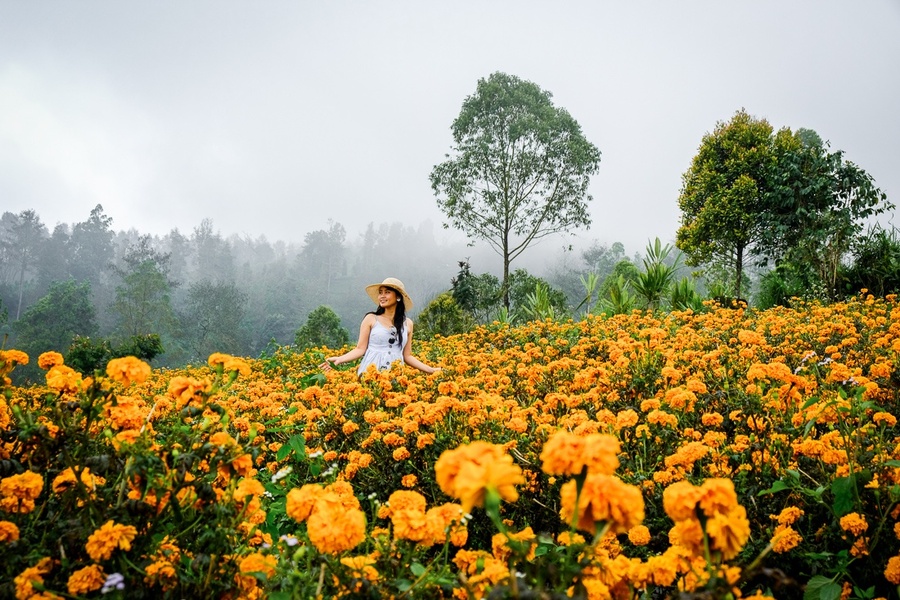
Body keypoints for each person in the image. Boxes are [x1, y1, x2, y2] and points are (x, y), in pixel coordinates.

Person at [320, 277, 441, 375]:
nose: (382, 296)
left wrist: (431, 370)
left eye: (387, 292)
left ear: (398, 296)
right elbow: (360, 349)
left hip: (396, 376)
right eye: (380, 292)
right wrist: (340, 359)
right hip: (370, 373)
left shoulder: (408, 323)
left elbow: (407, 356)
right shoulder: (371, 319)